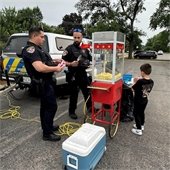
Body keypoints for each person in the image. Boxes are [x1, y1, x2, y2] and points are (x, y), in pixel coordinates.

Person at [22, 26, 65, 141]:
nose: (43, 39)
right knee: (51, 106)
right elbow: (39, 67)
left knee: (45, 106)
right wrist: (56, 69)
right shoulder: (30, 49)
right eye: (41, 37)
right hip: (42, 83)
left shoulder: (38, 48)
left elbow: (44, 62)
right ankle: (47, 133)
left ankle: (48, 126)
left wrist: (55, 62)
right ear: (34, 36)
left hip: (47, 81)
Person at [62, 28, 92, 119]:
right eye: (75, 37)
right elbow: (62, 61)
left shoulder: (85, 49)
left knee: (87, 92)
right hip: (73, 75)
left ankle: (90, 108)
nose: (76, 39)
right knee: (73, 94)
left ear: (81, 37)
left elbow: (90, 59)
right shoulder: (69, 49)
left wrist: (88, 62)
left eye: (78, 37)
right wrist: (71, 64)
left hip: (83, 74)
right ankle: (72, 112)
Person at [131, 63, 154, 136]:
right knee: (141, 112)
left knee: (136, 113)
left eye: (140, 71)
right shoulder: (151, 81)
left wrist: (135, 81)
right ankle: (142, 125)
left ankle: (138, 129)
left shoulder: (140, 81)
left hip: (138, 100)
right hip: (145, 100)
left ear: (143, 72)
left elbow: (133, 88)